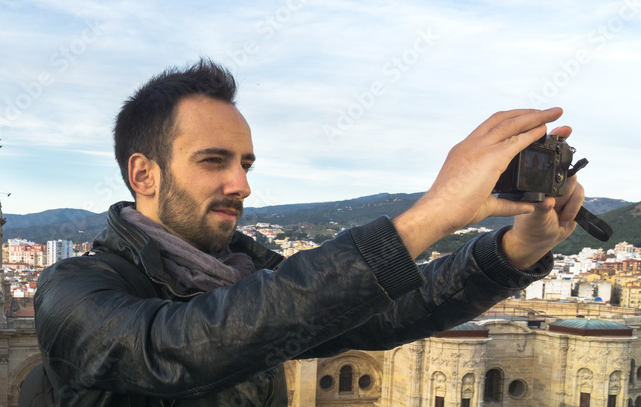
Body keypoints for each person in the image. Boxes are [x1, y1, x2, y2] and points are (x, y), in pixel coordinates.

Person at [32, 60, 585, 406]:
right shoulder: (73, 291)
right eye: (213, 160)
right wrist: (433, 213)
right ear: (143, 175)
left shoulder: (251, 270)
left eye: (245, 164)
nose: (241, 184)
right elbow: (173, 348)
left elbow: (383, 313)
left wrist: (515, 251)